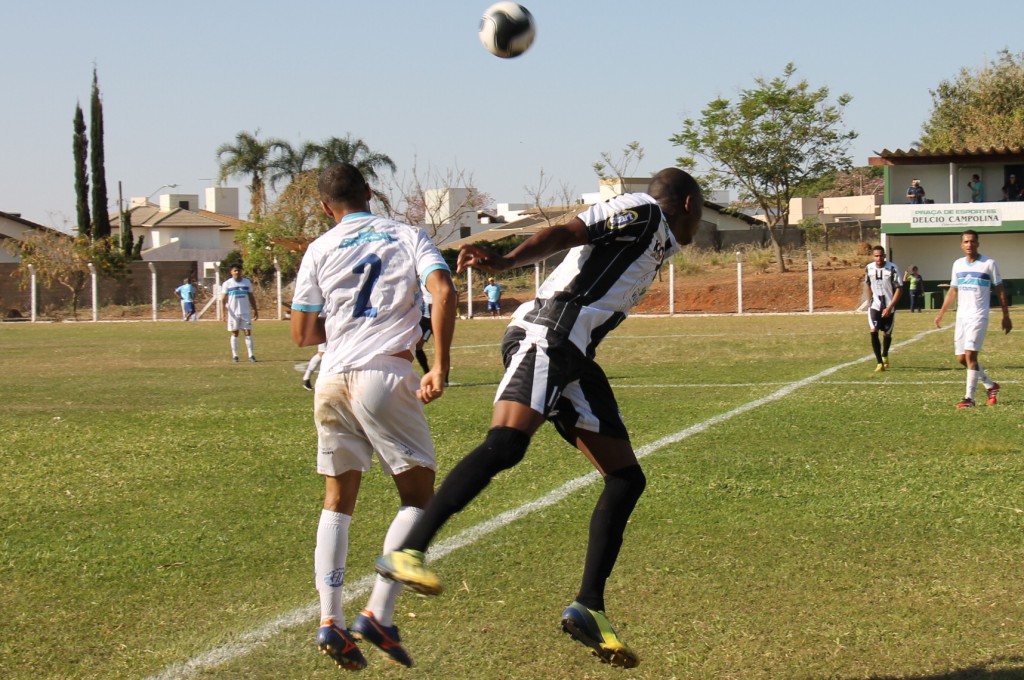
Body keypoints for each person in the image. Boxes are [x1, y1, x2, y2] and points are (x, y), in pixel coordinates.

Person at [375, 168, 704, 669]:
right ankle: (408, 551)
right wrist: (506, 260)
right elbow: (569, 231)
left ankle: (589, 606)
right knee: (506, 443)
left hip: (576, 353)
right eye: (700, 212)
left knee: (626, 478)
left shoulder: (657, 237)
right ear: (688, 205)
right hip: (547, 333)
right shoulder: (641, 209)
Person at [290, 162, 457, 670]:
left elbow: (301, 334)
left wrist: (346, 327)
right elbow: (443, 291)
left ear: (325, 207)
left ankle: (330, 619)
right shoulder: (407, 234)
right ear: (369, 191)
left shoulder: (319, 248)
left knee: (337, 500)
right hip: (383, 373)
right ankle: (379, 613)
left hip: (331, 377)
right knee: (419, 497)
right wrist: (440, 365)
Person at [934, 229, 1012, 408]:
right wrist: (941, 313)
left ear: (978, 243)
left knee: (970, 355)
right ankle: (991, 386)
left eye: (972, 241)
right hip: (962, 317)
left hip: (978, 316)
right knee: (962, 358)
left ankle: (969, 398)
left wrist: (1006, 315)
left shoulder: (989, 264)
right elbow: (953, 290)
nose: (969, 244)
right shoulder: (957, 264)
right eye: (966, 242)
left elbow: (1000, 289)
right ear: (961, 245)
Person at [865, 246, 902, 372]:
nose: (878, 258)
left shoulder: (892, 268)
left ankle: (885, 354)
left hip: (889, 307)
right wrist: (869, 302)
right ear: (873, 256)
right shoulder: (869, 268)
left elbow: (899, 288)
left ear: (884, 256)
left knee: (887, 333)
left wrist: (890, 307)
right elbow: (868, 284)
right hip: (875, 306)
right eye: (876, 256)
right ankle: (879, 362)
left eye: (881, 256)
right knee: (873, 330)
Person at [221, 265, 258, 362]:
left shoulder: (246, 282)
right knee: (235, 332)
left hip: (245, 312)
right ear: (231, 272)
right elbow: (223, 299)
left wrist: (255, 309)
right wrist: (223, 313)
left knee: (248, 332)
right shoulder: (227, 284)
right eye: (235, 270)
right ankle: (235, 356)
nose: (237, 272)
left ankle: (251, 355)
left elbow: (251, 297)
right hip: (233, 313)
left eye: (238, 270)